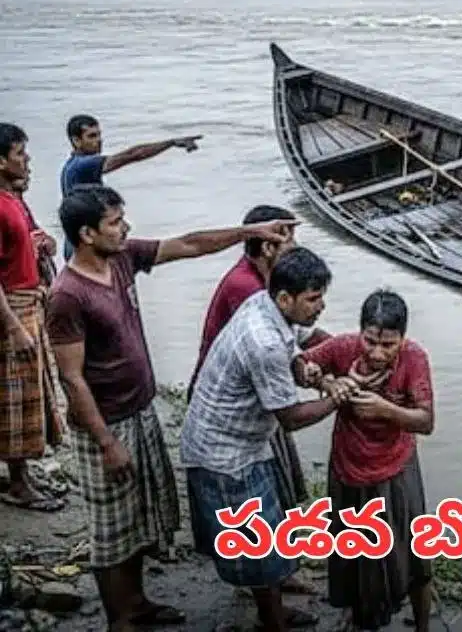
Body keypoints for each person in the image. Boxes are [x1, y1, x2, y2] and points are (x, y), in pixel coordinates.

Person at [46, 183, 298, 632]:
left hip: (141, 410)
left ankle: (138, 602)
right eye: (115, 222)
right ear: (87, 233)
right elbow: (72, 377)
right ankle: (119, 618)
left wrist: (251, 231)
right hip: (107, 423)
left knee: (140, 518)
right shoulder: (68, 294)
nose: (126, 228)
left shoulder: (121, 258)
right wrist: (106, 442)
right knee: (111, 528)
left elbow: (189, 244)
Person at [181, 247, 346, 632]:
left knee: (267, 530)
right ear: (285, 298)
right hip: (224, 455)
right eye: (313, 299)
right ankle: (272, 620)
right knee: (256, 544)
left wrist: (322, 361)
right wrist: (336, 397)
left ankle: (275, 591)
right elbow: (290, 418)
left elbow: (304, 340)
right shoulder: (264, 340)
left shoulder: (265, 303)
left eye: (322, 296)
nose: (321, 306)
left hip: (244, 442)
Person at [298, 289, 435, 631]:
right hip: (348, 465)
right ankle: (358, 615)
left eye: (388, 345)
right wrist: (326, 381)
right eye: (370, 341)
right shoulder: (343, 348)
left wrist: (385, 410)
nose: (377, 353)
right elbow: (298, 364)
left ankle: (422, 626)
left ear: (402, 339)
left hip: (396, 468)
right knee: (352, 551)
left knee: (414, 556)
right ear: (360, 333)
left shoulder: (414, 358)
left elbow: (426, 421)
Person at [0, 123, 66, 513]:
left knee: (29, 395)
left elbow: (29, 235)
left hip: (28, 301)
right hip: (12, 307)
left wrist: (42, 241)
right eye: (19, 154)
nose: (26, 160)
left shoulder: (14, 200)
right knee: (15, 399)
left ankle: (21, 473)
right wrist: (12, 326)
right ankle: (18, 483)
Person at [59, 115, 202, 260]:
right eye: (92, 136)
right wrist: (171, 143)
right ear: (76, 141)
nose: (99, 140)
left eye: (99, 135)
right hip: (86, 244)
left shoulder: (70, 165)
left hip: (76, 242)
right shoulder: (83, 165)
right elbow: (132, 155)